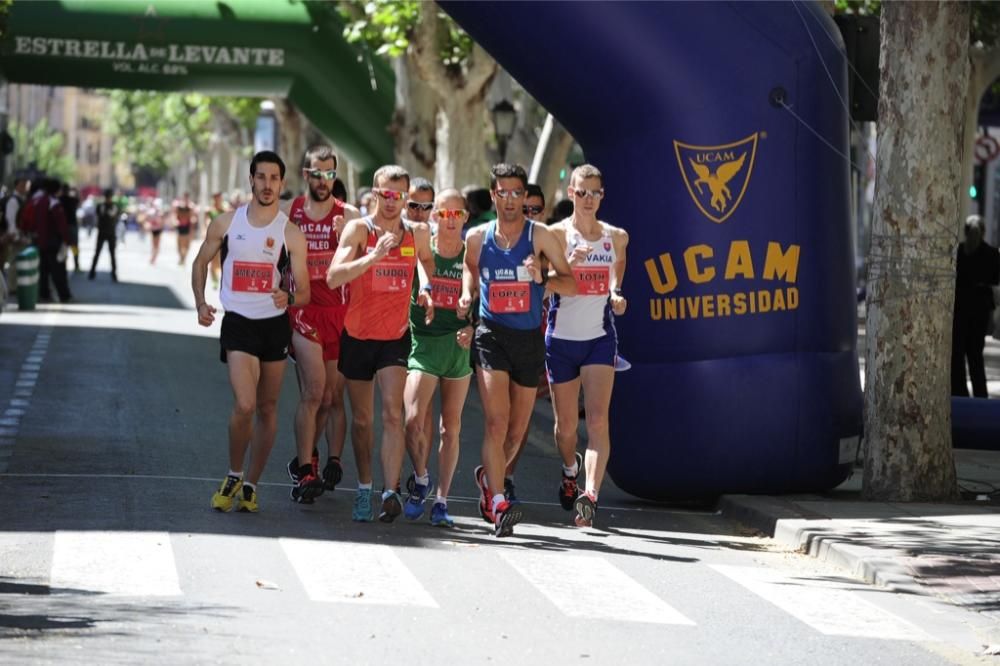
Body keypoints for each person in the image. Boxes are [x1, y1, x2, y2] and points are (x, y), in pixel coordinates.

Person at [457, 163, 576, 537]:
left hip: (527, 340)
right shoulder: (478, 237)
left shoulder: (539, 236)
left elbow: (570, 282)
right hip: (491, 335)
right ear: (493, 196)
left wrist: (543, 277)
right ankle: (496, 501)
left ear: (525, 198)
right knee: (496, 421)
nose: (509, 200)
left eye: (516, 193)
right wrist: (466, 294)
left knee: (515, 431)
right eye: (502, 193)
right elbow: (469, 269)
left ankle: (487, 478)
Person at [192, 151, 311, 513]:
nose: (267, 185)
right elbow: (200, 262)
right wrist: (200, 302)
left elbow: (304, 291)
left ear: (282, 184)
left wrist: (288, 295)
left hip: (273, 325)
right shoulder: (227, 223)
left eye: (274, 178)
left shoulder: (290, 233)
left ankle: (252, 484)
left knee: (268, 407)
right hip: (238, 322)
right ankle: (233, 471)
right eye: (261, 177)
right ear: (251, 180)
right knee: (245, 404)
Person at [327, 164, 435, 523]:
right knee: (362, 420)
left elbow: (425, 262)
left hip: (395, 337)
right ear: (374, 193)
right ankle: (364, 485)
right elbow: (332, 277)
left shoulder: (416, 233)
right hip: (358, 337)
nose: (392, 202)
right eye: (385, 194)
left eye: (399, 196)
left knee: (392, 413)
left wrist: (426, 289)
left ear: (406, 197)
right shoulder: (360, 229)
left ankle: (389, 491)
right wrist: (373, 256)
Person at [545, 164, 628, 526]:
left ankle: (589, 495)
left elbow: (617, 271)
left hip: (598, 338)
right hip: (561, 339)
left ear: (602, 195)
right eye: (582, 192)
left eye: (595, 192)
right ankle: (569, 468)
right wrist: (566, 268)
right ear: (571, 194)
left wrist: (616, 293)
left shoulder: (616, 237)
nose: (589, 199)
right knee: (565, 428)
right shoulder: (555, 235)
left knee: (597, 420)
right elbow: (540, 281)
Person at [282, 145, 360, 503]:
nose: (323, 180)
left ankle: (312, 457)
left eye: (330, 174)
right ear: (306, 174)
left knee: (330, 398)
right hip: (302, 310)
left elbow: (370, 258)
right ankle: (306, 471)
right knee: (313, 392)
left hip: (339, 315)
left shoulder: (351, 215)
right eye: (317, 173)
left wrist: (350, 240)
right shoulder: (291, 212)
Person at [402, 189, 474, 527]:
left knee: (451, 427)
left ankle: (442, 501)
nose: (450, 220)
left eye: (456, 214)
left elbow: (484, 301)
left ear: (465, 218)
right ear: (434, 217)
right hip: (425, 343)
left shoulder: (471, 254)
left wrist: (472, 327)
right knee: (413, 419)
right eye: (444, 213)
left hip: (457, 347)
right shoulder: (421, 248)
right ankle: (420, 478)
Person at [500, 183, 550, 501]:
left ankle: (506, 478)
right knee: (498, 417)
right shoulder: (502, 243)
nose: (530, 214)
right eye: (525, 209)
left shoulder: (553, 246)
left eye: (536, 210)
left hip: (537, 343)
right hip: (501, 339)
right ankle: (494, 477)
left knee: (521, 420)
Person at [951, 214, 1000, 398]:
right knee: (975, 358)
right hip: (980, 314)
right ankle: (980, 397)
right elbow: (995, 280)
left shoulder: (958, 252)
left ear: (964, 231)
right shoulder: (993, 254)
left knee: (957, 357)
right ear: (984, 232)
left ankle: (959, 395)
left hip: (959, 312)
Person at [33, 178, 72, 303]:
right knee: (58, 270)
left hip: (40, 240)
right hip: (53, 242)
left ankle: (43, 294)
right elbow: (61, 224)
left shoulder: (39, 201)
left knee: (43, 269)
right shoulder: (54, 203)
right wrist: (66, 240)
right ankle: (64, 295)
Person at [89, 189, 121, 282]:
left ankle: (113, 273)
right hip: (103, 232)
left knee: (111, 254)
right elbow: (100, 216)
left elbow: (115, 217)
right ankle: (92, 271)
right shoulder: (101, 206)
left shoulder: (114, 207)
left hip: (110, 233)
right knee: (98, 253)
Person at [206, 192, 228, 288]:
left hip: (223, 239)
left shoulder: (225, 210)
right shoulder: (210, 211)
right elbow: (206, 223)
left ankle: (219, 277)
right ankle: (214, 279)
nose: (218, 200)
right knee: (213, 260)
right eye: (216, 198)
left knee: (221, 260)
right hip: (212, 239)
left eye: (219, 198)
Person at [59, 185, 81, 273]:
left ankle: (63, 264)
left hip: (63, 226)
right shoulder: (72, 200)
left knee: (64, 246)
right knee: (74, 246)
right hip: (72, 225)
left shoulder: (59, 200)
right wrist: (75, 190)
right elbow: (78, 200)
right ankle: (76, 264)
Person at [174, 192, 197, 265]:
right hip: (180, 226)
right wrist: (175, 221)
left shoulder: (191, 206)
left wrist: (193, 220)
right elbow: (175, 214)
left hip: (188, 227)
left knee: (187, 244)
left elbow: (194, 216)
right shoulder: (179, 205)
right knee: (179, 244)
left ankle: (183, 258)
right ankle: (181, 257)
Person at [145, 199, 165, 265]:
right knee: (154, 245)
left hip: (158, 230)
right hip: (154, 229)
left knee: (156, 245)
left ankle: (154, 258)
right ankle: (153, 258)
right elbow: (148, 220)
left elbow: (162, 222)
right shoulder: (152, 212)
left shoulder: (160, 213)